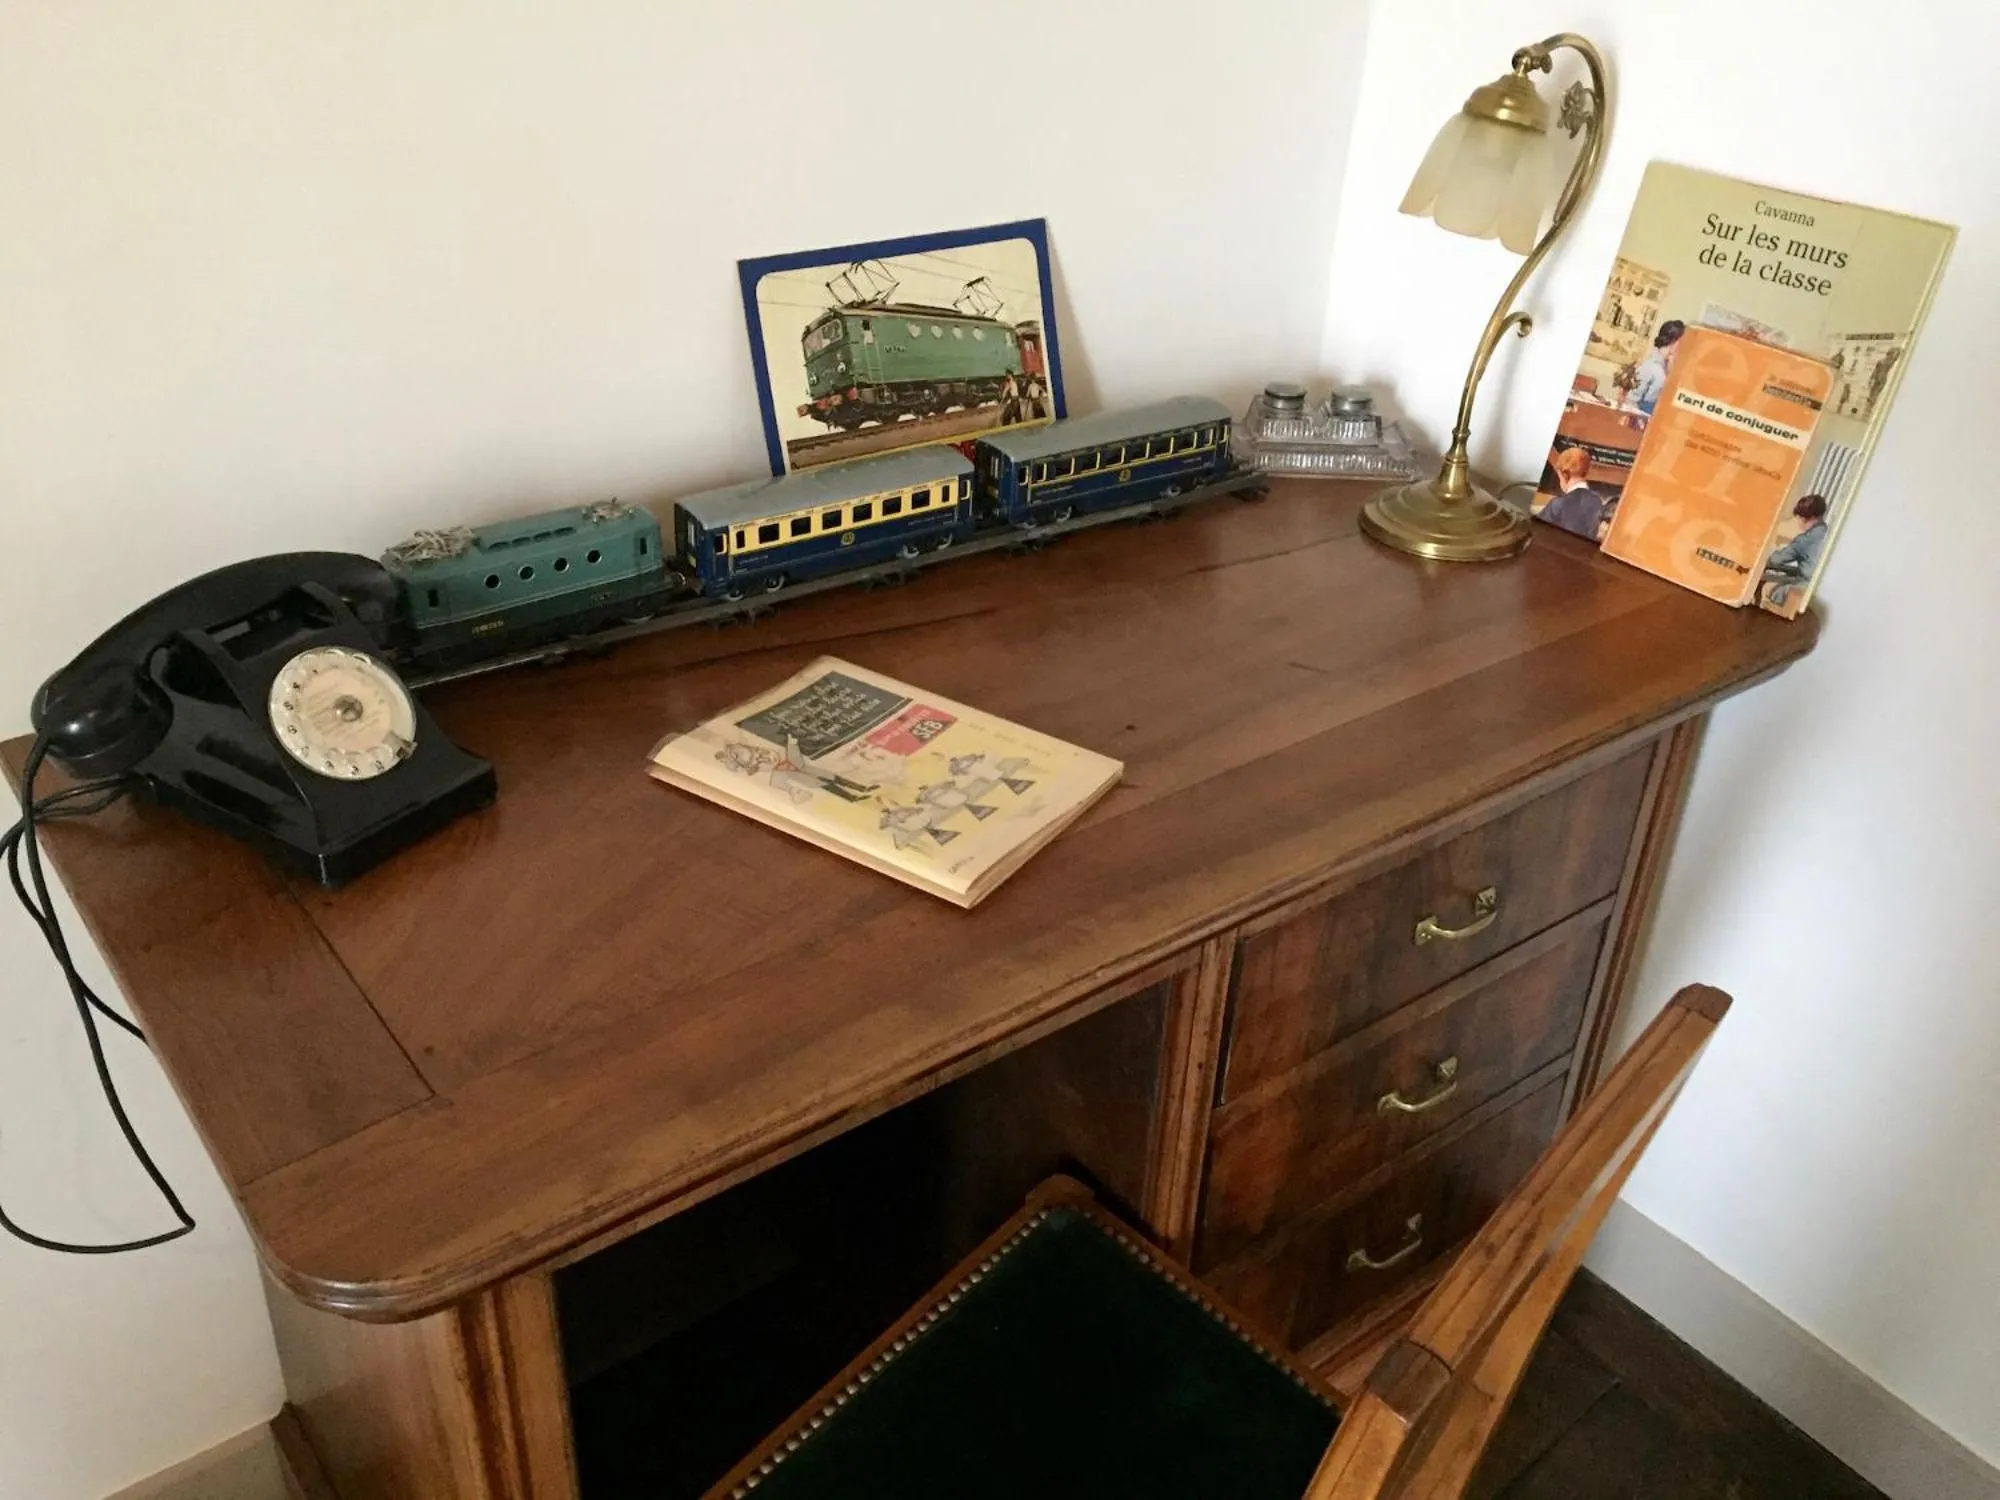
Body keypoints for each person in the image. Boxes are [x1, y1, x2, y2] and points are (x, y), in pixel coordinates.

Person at [1761, 492, 1830, 607]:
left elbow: (1776, 559)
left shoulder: (1806, 539)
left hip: (1805, 585)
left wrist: (1764, 556)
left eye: (1799, 518)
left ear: (1809, 518)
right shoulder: (1825, 532)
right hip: (1817, 584)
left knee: (1769, 587)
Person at [1538, 444, 1612, 540]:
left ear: (1564, 475)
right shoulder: (1597, 501)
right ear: (1585, 472)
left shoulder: (1558, 504)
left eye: (1559, 477)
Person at [1628, 319, 1686, 417]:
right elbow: (1631, 400)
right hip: (1642, 415)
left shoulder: (1668, 366)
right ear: (1675, 341)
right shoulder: (1651, 366)